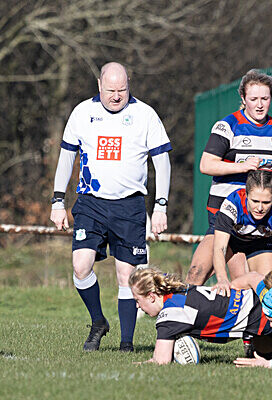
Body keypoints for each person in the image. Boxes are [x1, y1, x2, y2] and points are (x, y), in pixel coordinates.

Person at [49, 62, 171, 352]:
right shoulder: (82, 113)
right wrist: (57, 201)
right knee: (81, 266)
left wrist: (161, 205)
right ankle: (98, 322)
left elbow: (162, 162)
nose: (117, 96)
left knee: (127, 275)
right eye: (111, 90)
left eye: (122, 90)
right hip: (90, 202)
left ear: (129, 85)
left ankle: (126, 343)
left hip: (129, 206)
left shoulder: (144, 115)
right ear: (99, 87)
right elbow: (66, 157)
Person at [186, 69, 272, 290]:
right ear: (243, 99)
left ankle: (243, 322)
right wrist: (241, 167)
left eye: (265, 98)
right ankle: (180, 318)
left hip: (258, 221)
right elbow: (206, 164)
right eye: (253, 99)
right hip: (224, 216)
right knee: (196, 275)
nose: (260, 105)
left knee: (256, 285)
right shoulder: (228, 126)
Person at [129, 267, 272, 364]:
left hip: (268, 321)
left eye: (138, 300)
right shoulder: (178, 291)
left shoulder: (169, 316)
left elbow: (160, 361)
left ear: (152, 296)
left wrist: (138, 366)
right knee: (268, 351)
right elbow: (252, 276)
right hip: (259, 316)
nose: (137, 306)